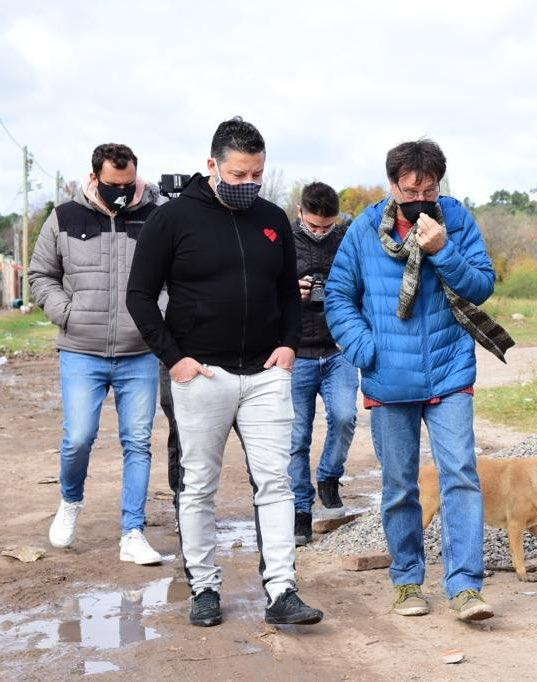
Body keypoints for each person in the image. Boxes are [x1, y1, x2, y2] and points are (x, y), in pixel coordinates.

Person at [126, 117, 323, 628]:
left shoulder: (273, 217)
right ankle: (205, 588)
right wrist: (176, 360)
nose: (247, 184)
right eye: (238, 174)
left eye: (256, 174)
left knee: (275, 482)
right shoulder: (171, 221)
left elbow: (287, 293)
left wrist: (287, 346)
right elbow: (140, 297)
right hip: (201, 374)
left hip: (265, 374)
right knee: (199, 487)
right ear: (212, 165)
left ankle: (282, 591)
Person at [325, 139, 513, 622]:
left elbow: (481, 286)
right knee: (400, 486)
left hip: (449, 372)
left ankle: (466, 587)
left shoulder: (457, 220)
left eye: (429, 189)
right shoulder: (364, 230)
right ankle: (408, 581)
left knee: (461, 478)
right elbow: (340, 299)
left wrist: (443, 251)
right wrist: (369, 351)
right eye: (411, 189)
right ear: (393, 185)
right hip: (390, 379)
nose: (420, 197)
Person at [29, 143, 163, 565]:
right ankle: (70, 501)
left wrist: (157, 315)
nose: (122, 192)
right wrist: (65, 313)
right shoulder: (64, 217)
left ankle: (133, 532)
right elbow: (40, 274)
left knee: (138, 442)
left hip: (139, 352)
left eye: (129, 184)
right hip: (81, 350)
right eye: (113, 185)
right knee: (78, 437)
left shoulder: (156, 216)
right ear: (95, 178)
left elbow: (176, 275)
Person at [289, 182, 358, 546]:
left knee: (345, 417)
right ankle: (300, 508)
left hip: (339, 348)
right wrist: (289, 289)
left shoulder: (347, 239)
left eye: (326, 227)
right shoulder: (282, 239)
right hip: (296, 351)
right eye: (313, 226)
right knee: (296, 436)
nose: (319, 233)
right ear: (300, 212)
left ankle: (329, 479)